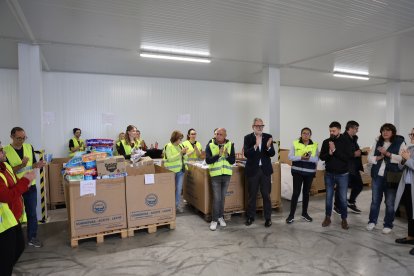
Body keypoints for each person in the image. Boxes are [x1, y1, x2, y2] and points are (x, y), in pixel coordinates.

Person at [4, 127, 45, 248]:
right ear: (11, 137)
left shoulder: (28, 147)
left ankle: (32, 237)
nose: (21, 141)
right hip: (14, 187)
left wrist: (37, 165)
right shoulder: (5, 151)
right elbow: (7, 170)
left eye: (23, 138)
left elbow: (31, 165)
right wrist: (21, 164)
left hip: (29, 186)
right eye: (18, 138)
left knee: (32, 213)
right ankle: (15, 239)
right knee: (14, 214)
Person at [0, 141, 36, 276]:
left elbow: (15, 184)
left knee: (19, 247)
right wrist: (26, 181)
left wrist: (25, 179)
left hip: (11, 218)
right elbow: (7, 196)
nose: (4, 152)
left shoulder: (6, 166)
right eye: (0, 150)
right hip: (2, 224)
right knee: (6, 257)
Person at [367, 123, 405, 234]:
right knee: (375, 201)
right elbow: (369, 157)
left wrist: (388, 154)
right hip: (377, 176)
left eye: (388, 130)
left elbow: (403, 158)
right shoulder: (377, 141)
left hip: (392, 176)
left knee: (389, 202)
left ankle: (388, 224)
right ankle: (372, 221)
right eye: (383, 130)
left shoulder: (400, 142)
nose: (385, 132)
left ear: (393, 132)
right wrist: (378, 157)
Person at [319, 121, 353, 229]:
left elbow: (347, 157)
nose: (331, 133)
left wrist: (335, 150)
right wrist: (329, 153)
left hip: (342, 175)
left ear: (339, 130)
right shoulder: (326, 142)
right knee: (328, 197)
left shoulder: (346, 141)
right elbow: (322, 157)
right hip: (329, 174)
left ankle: (344, 219)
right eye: (330, 131)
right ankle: (327, 217)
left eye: (333, 131)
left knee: (343, 198)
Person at [244, 118, 275, 227]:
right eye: (257, 126)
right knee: (252, 195)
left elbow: (272, 153)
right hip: (253, 170)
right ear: (253, 127)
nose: (260, 128)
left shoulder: (268, 137)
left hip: (265, 170)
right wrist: (256, 145)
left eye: (261, 126)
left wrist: (268, 146)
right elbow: (247, 154)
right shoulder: (248, 138)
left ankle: (268, 218)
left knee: (266, 195)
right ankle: (250, 217)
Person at [286, 127, 319, 224]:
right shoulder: (295, 143)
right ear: (301, 134)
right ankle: (291, 215)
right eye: (304, 133)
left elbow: (317, 158)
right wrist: (301, 157)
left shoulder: (314, 145)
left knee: (306, 193)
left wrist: (308, 159)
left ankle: (304, 213)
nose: (305, 135)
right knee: (296, 193)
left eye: (307, 133)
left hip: (309, 173)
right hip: (297, 172)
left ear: (310, 135)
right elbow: (290, 156)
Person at [205, 128, 235, 231]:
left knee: (222, 198)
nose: (218, 136)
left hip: (226, 175)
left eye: (220, 134)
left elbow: (232, 161)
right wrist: (218, 154)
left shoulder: (230, 145)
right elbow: (208, 160)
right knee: (217, 198)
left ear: (225, 136)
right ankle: (214, 220)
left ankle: (220, 217)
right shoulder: (210, 144)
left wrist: (226, 155)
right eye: (217, 134)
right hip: (215, 175)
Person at [333, 121, 365, 214]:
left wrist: (362, 153)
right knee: (341, 188)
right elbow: (339, 152)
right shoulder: (342, 138)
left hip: (354, 167)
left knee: (359, 186)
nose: (357, 130)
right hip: (345, 167)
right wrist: (353, 154)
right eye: (356, 128)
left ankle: (351, 202)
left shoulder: (354, 138)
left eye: (357, 128)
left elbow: (353, 151)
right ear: (350, 128)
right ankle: (337, 206)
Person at [394, 129, 414, 255]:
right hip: (407, 185)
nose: (411, 136)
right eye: (410, 133)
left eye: (413, 134)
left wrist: (407, 159)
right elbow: (401, 167)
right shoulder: (411, 148)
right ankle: (411, 237)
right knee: (410, 212)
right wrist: (403, 158)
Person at [163, 130, 188, 213]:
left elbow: (185, 158)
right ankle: (167, 206)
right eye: (179, 139)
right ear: (175, 138)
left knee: (179, 189)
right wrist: (180, 153)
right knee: (170, 189)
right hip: (171, 172)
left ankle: (176, 205)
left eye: (181, 139)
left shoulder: (180, 146)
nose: (180, 141)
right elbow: (170, 159)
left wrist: (185, 154)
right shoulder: (168, 146)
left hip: (180, 171)